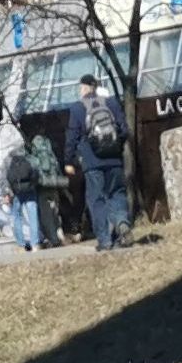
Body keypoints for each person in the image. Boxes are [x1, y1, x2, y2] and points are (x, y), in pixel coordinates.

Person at [64, 77, 132, 249]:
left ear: (86, 88)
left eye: (81, 87)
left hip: (92, 162)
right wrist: (115, 148)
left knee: (97, 199)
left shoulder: (78, 108)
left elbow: (72, 137)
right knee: (117, 193)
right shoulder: (112, 103)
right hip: (114, 160)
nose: (80, 90)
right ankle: (122, 222)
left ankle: (105, 240)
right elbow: (124, 130)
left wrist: (69, 161)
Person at [0, 130, 45, 252]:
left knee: (16, 216)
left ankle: (21, 245)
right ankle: (35, 244)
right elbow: (37, 172)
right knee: (33, 215)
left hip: (16, 193)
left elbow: (3, 178)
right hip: (30, 190)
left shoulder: (8, 159)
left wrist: (6, 193)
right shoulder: (29, 156)